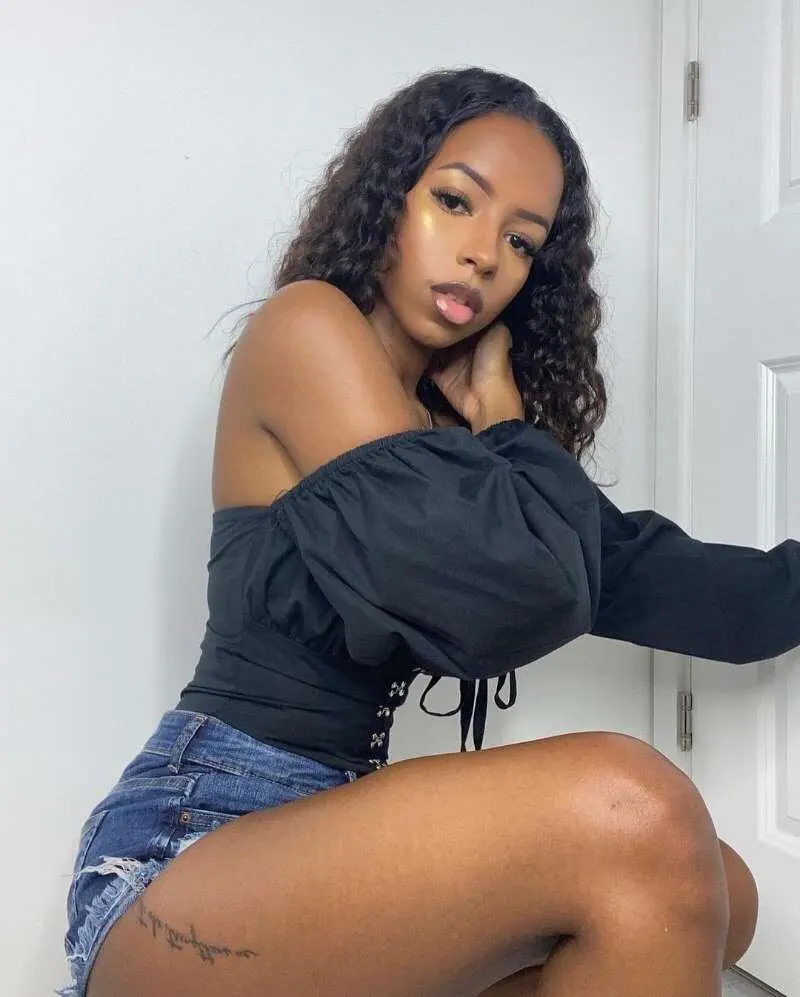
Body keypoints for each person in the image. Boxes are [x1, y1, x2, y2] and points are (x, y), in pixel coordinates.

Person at [58, 66, 799, 997]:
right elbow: (519, 591)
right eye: (455, 201)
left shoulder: (453, 448)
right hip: (192, 849)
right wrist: (509, 427)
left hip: (334, 848)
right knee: (634, 807)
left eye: (521, 241)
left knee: (719, 892)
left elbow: (657, 579)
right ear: (388, 200)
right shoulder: (307, 330)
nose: (484, 255)